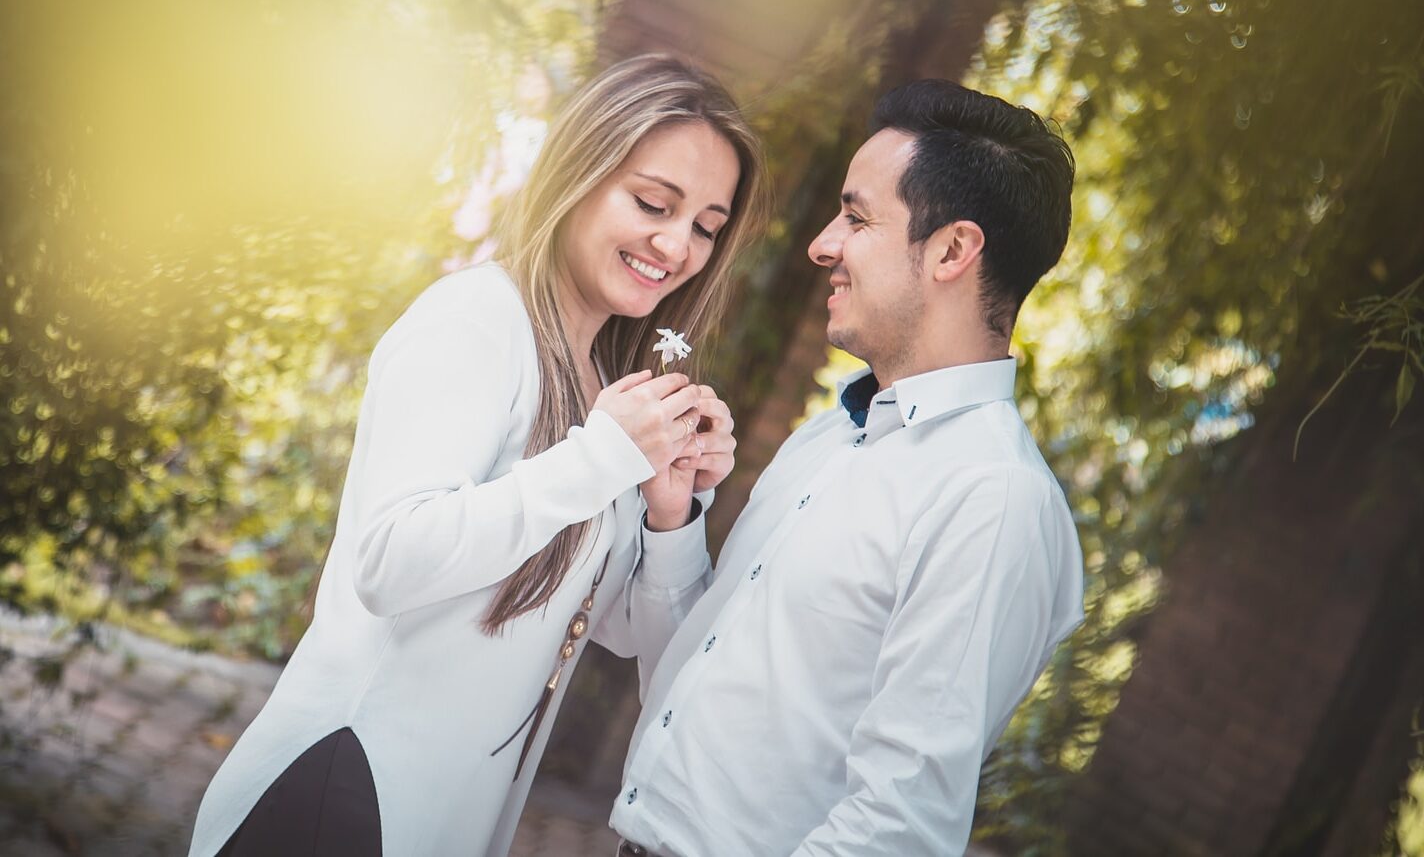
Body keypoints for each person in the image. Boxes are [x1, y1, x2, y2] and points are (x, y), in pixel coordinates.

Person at [187, 53, 770, 857]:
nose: (676, 244)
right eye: (652, 202)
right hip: (342, 797)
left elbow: (635, 640)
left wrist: (672, 511)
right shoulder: (474, 322)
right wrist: (600, 457)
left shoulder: (600, 383)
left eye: (706, 226)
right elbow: (391, 561)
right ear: (579, 171)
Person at [610, 80, 1085, 856]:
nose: (821, 243)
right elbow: (690, 677)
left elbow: (899, 826)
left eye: (857, 217)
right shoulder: (835, 436)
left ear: (953, 250)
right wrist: (672, 519)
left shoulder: (994, 500)